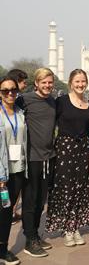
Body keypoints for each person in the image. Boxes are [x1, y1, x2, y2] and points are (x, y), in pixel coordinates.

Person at [45, 69, 89, 247]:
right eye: (77, 81)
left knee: (80, 188)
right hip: (65, 148)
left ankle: (75, 226)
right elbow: (49, 122)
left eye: (83, 81)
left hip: (82, 148)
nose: (80, 85)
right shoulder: (61, 102)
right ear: (71, 82)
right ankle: (66, 228)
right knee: (65, 188)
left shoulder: (88, 103)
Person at [16, 68, 56, 257]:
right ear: (36, 83)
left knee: (41, 200)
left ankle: (35, 235)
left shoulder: (52, 101)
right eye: (44, 82)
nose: (47, 85)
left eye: (50, 82)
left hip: (49, 156)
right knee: (30, 200)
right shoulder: (24, 99)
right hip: (32, 158)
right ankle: (29, 239)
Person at [0, 77, 27, 265]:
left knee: (7, 212)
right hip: (2, 171)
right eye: (5, 91)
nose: (10, 93)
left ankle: (3, 248)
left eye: (13, 90)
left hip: (17, 169)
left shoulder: (20, 112)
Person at [7, 69, 28, 224]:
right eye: (23, 81)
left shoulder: (19, 103)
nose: (25, 84)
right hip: (7, 149)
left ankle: (12, 211)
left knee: (16, 184)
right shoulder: (12, 101)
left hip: (17, 149)